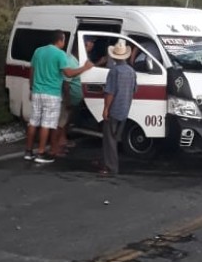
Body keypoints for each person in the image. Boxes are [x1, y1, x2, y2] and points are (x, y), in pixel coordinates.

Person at [25, 30, 92, 163]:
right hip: (52, 93)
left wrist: (32, 88)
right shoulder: (60, 54)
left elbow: (31, 70)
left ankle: (28, 151)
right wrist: (84, 68)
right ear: (60, 41)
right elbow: (68, 74)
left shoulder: (38, 51)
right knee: (46, 124)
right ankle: (41, 153)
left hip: (37, 92)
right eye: (63, 41)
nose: (64, 43)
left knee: (33, 122)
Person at [99, 39, 137, 176]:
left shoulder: (114, 71)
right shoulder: (132, 72)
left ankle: (111, 167)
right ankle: (107, 162)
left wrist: (105, 109)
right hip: (125, 109)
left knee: (109, 139)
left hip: (114, 109)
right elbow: (134, 90)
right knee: (114, 138)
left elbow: (110, 92)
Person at [50, 51, 82, 157]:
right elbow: (66, 83)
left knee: (64, 121)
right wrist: (68, 99)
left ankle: (61, 142)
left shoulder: (74, 60)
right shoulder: (70, 61)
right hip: (64, 98)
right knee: (60, 123)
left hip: (66, 98)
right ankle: (55, 148)